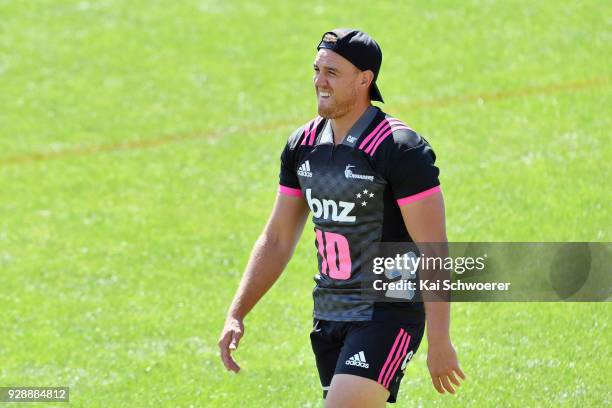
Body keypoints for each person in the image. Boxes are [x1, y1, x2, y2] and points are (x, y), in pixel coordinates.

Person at [218, 28, 465, 407]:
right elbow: (278, 239)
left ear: (365, 80)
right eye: (317, 69)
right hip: (329, 314)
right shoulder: (302, 146)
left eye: (332, 72)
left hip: (388, 312)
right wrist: (237, 312)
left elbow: (434, 249)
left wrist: (440, 339)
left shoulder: (399, 149)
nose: (319, 81)